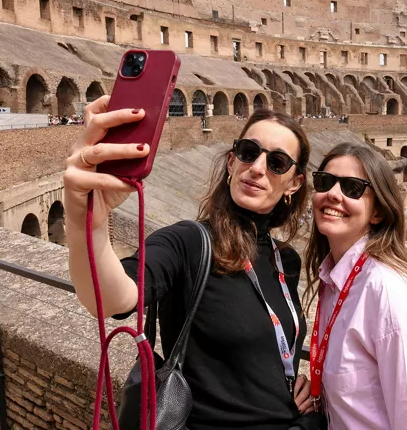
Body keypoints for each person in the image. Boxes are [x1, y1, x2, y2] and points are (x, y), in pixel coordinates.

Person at [63, 98, 321, 429]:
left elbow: (264, 349)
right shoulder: (188, 242)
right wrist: (85, 221)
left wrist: (290, 380)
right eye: (248, 152)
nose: (257, 167)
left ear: (294, 183)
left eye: (277, 162)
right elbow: (111, 298)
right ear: (231, 162)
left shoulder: (285, 259)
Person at [302, 142, 407, 429]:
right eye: (324, 182)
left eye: (352, 188)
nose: (333, 195)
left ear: (377, 212)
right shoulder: (336, 279)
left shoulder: (392, 293)